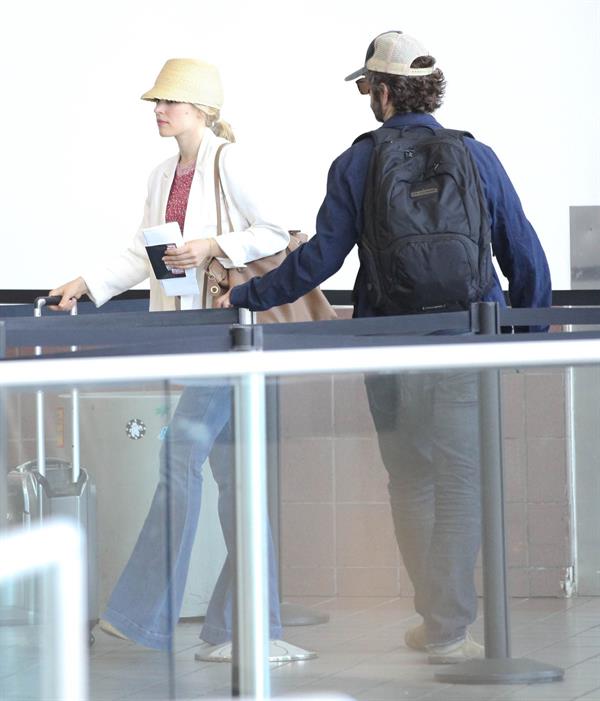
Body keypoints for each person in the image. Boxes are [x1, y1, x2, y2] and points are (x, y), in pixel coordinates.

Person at [216, 31, 552, 664]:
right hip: (465, 340)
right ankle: (449, 627)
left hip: (388, 344)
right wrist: (527, 336)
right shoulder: (477, 157)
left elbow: (322, 256)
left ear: (384, 90)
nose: (367, 97)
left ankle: (438, 619)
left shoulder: (357, 161)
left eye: (368, 86)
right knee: (461, 481)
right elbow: (520, 246)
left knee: (410, 482)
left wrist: (249, 297)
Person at [50, 58, 315, 662]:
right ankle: (245, 625)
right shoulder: (161, 172)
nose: (160, 111)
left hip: (231, 334)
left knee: (181, 458)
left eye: (170, 103)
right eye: (158, 103)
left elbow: (281, 230)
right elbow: (147, 254)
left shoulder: (231, 161)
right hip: (192, 335)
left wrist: (215, 246)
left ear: (202, 111)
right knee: (235, 480)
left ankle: (144, 616)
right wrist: (87, 283)